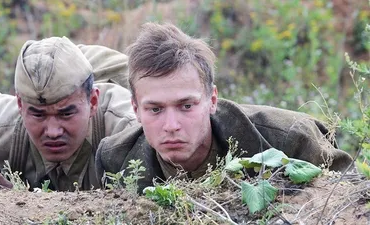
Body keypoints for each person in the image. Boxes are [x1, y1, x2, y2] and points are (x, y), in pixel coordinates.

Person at [95, 22, 353, 191]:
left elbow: (351, 201)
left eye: (186, 106)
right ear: (135, 108)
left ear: (212, 100)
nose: (171, 126)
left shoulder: (290, 138)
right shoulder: (115, 158)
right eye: (155, 109)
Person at [0, 36, 136, 191]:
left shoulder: (127, 131)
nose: (53, 132)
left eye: (65, 114)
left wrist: (21, 199)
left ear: (92, 102)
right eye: (39, 115)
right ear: (20, 104)